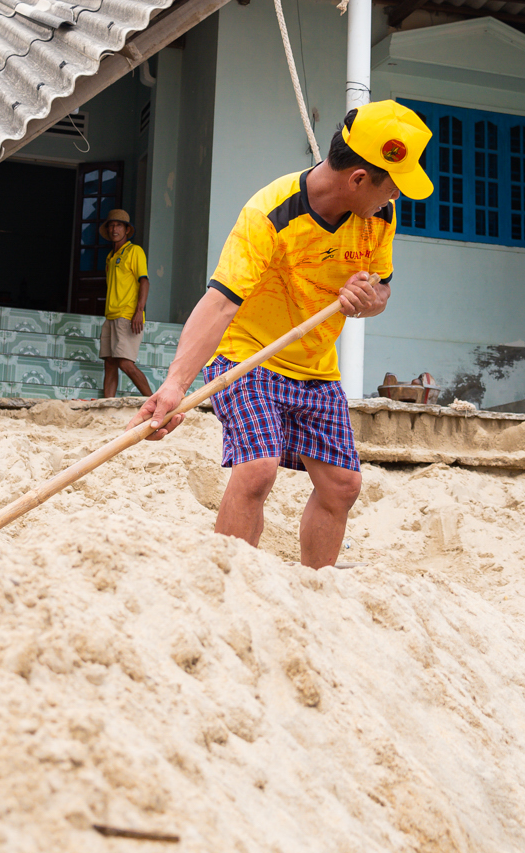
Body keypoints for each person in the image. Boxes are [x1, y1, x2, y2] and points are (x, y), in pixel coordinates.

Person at [135, 101, 433, 569]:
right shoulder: (269, 214)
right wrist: (174, 387)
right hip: (247, 357)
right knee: (257, 470)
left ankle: (315, 589)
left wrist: (367, 299)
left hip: (316, 367)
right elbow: (219, 303)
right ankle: (226, 581)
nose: (395, 195)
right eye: (392, 184)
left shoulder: (380, 217)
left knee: (342, 485)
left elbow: (382, 291)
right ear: (359, 178)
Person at [98, 208, 153, 400]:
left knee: (125, 363)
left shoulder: (134, 251)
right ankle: (107, 405)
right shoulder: (110, 257)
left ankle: (154, 402)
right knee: (110, 363)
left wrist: (139, 311)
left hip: (127, 316)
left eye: (119, 225)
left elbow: (144, 281)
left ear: (127, 230)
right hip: (111, 316)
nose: (115, 229)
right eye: (111, 225)